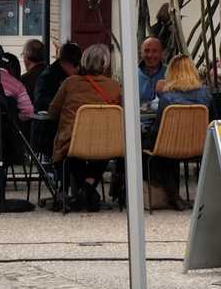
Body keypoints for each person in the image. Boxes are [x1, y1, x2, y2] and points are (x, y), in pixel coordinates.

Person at [48, 43, 124, 210]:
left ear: (83, 61)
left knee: (71, 152)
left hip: (72, 143)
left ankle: (85, 190)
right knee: (104, 149)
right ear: (105, 64)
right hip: (105, 143)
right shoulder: (114, 87)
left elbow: (53, 111)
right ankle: (89, 188)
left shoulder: (70, 83)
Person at [148, 54, 214, 209]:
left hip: (171, 146)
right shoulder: (206, 94)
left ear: (171, 73)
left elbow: (159, 129)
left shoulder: (167, 97)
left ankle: (173, 195)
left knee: (157, 151)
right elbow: (213, 122)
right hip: (200, 146)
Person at [33, 41, 82, 115]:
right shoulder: (47, 77)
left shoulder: (82, 74)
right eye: (74, 64)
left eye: (79, 64)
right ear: (63, 62)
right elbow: (41, 103)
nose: (77, 68)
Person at [138, 36, 166, 107]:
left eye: (154, 51)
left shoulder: (171, 74)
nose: (150, 55)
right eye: (146, 51)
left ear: (162, 53)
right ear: (141, 53)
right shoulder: (132, 76)